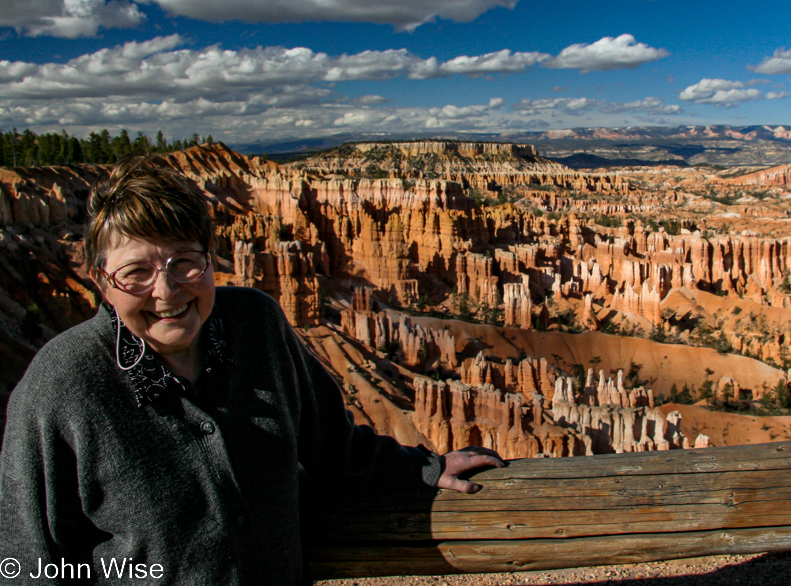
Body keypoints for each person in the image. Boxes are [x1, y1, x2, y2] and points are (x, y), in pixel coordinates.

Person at [0, 155, 503, 584]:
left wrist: (423, 468)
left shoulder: (255, 324)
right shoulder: (62, 385)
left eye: (185, 262)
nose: (166, 291)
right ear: (100, 280)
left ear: (210, 258)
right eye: (136, 272)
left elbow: (335, 446)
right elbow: (27, 561)